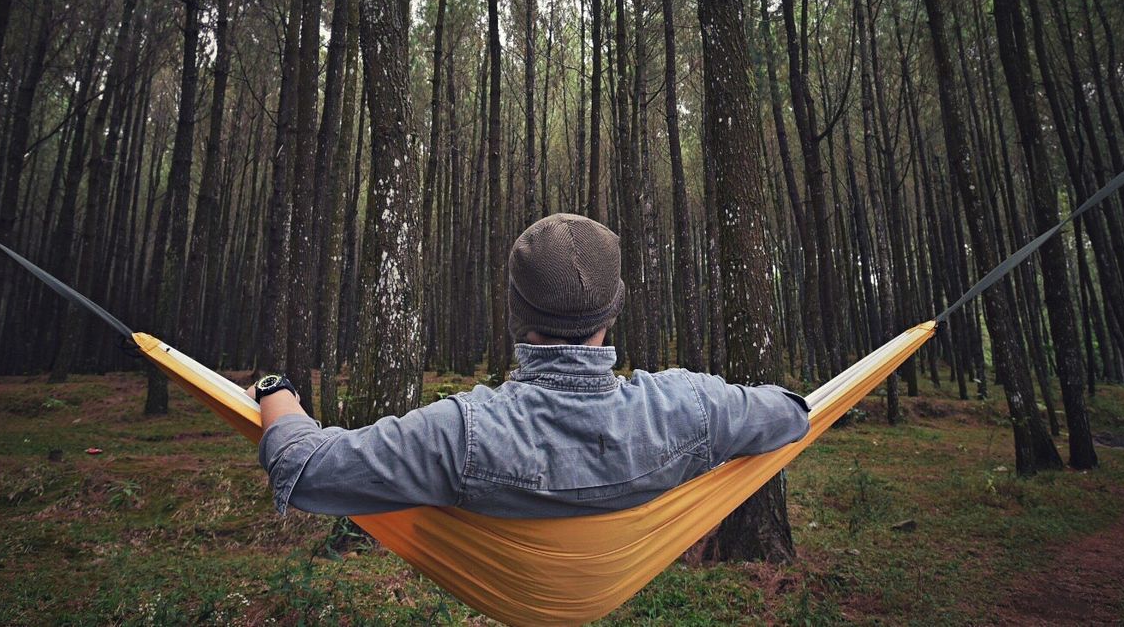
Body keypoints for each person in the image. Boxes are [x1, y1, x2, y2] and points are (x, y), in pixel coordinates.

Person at [249, 213, 809, 519]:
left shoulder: (461, 434)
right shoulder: (690, 407)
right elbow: (792, 413)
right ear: (614, 310)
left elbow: (305, 469)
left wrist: (275, 389)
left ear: (516, 314)